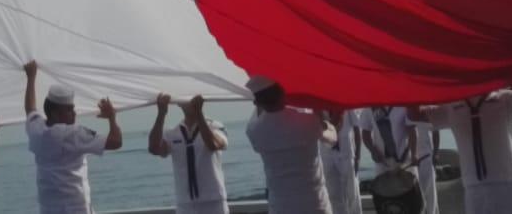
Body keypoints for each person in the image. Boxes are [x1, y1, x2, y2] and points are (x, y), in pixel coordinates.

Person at [412, 85, 512, 214]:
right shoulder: (452, 106)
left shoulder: (503, 98)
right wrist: (408, 82)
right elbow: (416, 115)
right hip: (474, 189)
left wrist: (508, 74)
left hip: (509, 184)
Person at [22, 60, 121, 214]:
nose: (74, 113)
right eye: (69, 109)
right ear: (55, 113)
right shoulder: (72, 134)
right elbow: (116, 142)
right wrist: (112, 117)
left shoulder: (37, 130)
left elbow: (30, 109)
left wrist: (31, 77)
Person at [243, 75, 335, 214]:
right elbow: (332, 138)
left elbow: (258, 113)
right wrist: (320, 114)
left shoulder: (254, 131)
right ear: (282, 93)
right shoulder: (307, 122)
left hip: (281, 207)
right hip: (314, 204)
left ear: (258, 103)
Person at [149, 93, 229, 214]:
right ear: (179, 103)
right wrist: (161, 114)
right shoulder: (172, 133)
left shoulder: (215, 126)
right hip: (185, 203)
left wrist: (199, 114)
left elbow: (213, 145)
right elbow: (154, 149)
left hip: (213, 200)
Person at [321, 109, 366, 214]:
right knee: (332, 192)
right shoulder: (320, 107)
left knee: (352, 192)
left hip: (346, 154)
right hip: (327, 155)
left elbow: (356, 129)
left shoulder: (346, 106)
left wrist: (358, 156)